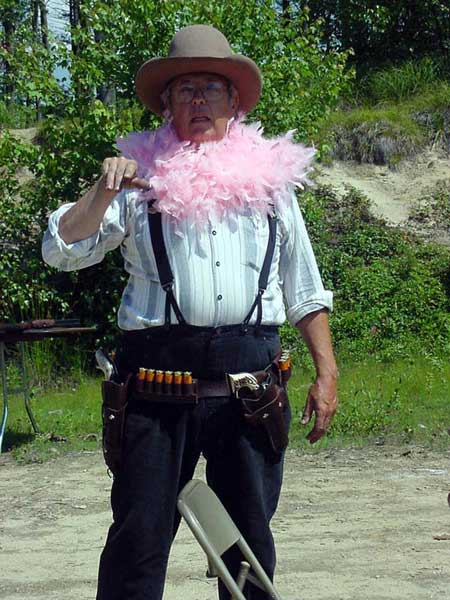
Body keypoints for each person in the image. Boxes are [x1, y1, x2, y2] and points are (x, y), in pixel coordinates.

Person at [42, 24, 338, 600]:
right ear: (166, 105)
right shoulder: (136, 182)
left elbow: (304, 287)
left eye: (210, 88)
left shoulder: (273, 187)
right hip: (154, 389)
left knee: (248, 541)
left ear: (234, 102)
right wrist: (102, 191)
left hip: (251, 386)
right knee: (138, 538)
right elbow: (61, 249)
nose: (198, 100)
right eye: (184, 90)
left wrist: (326, 371)